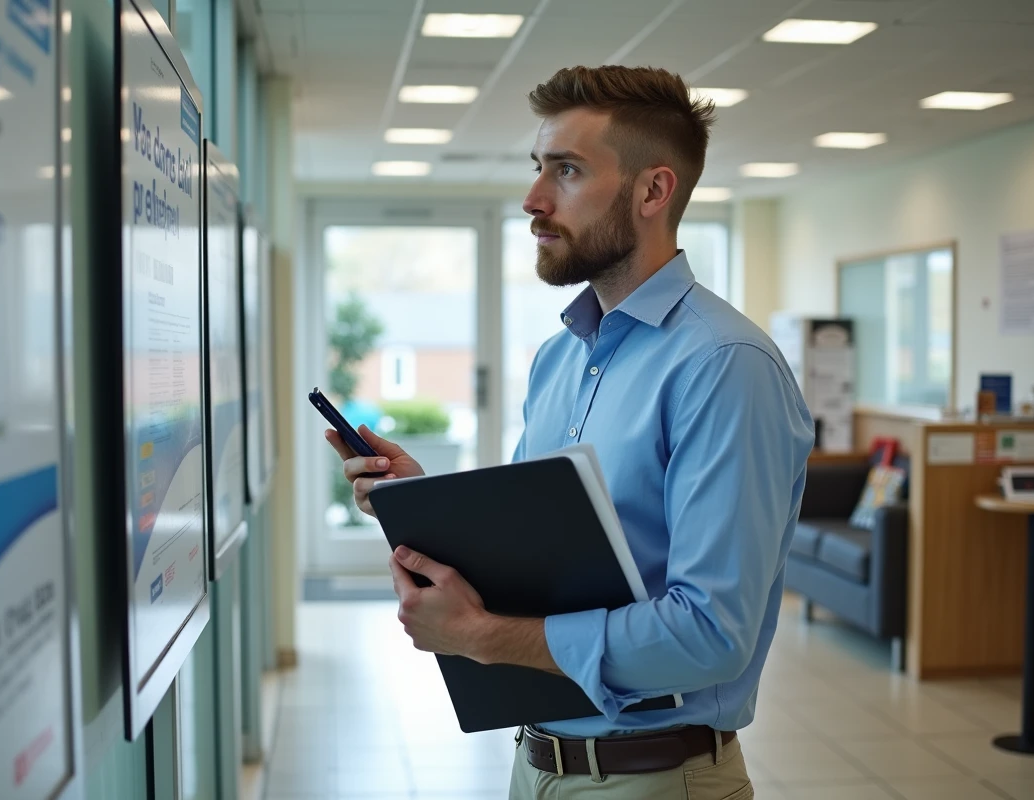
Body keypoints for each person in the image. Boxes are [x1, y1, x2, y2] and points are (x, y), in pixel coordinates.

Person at [325, 65, 814, 799]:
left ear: (653, 191)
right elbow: (539, 561)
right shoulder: (561, 358)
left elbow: (711, 635)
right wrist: (420, 503)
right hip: (538, 766)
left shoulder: (725, 367)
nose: (533, 199)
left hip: (656, 778)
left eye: (568, 171)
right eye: (539, 168)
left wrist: (482, 639)